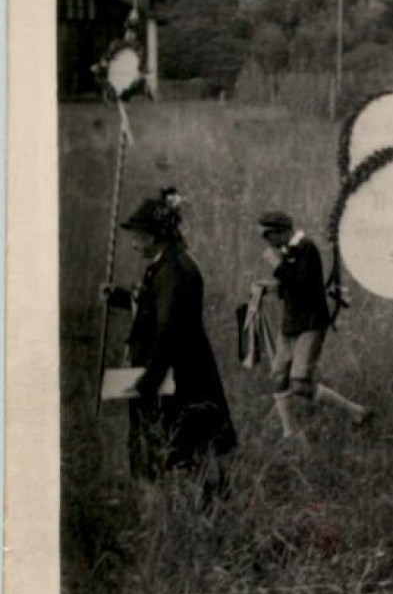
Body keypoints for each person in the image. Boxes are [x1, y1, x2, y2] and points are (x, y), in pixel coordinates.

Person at [104, 188, 237, 498]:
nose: (133, 242)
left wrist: (149, 380)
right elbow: (152, 307)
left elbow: (169, 330)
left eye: (136, 235)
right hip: (173, 371)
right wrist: (121, 298)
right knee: (183, 444)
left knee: (184, 444)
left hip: (177, 374)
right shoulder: (167, 265)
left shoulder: (175, 271)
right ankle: (186, 504)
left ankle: (198, 510)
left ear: (153, 236)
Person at [256, 211, 371, 442]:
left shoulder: (306, 248)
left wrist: (277, 265)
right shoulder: (289, 250)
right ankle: (290, 433)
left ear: (280, 232)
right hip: (291, 323)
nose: (266, 243)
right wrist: (271, 287)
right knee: (279, 377)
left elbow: (303, 283)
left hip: (310, 323)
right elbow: (291, 285)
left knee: (300, 383)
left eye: (266, 236)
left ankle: (355, 412)